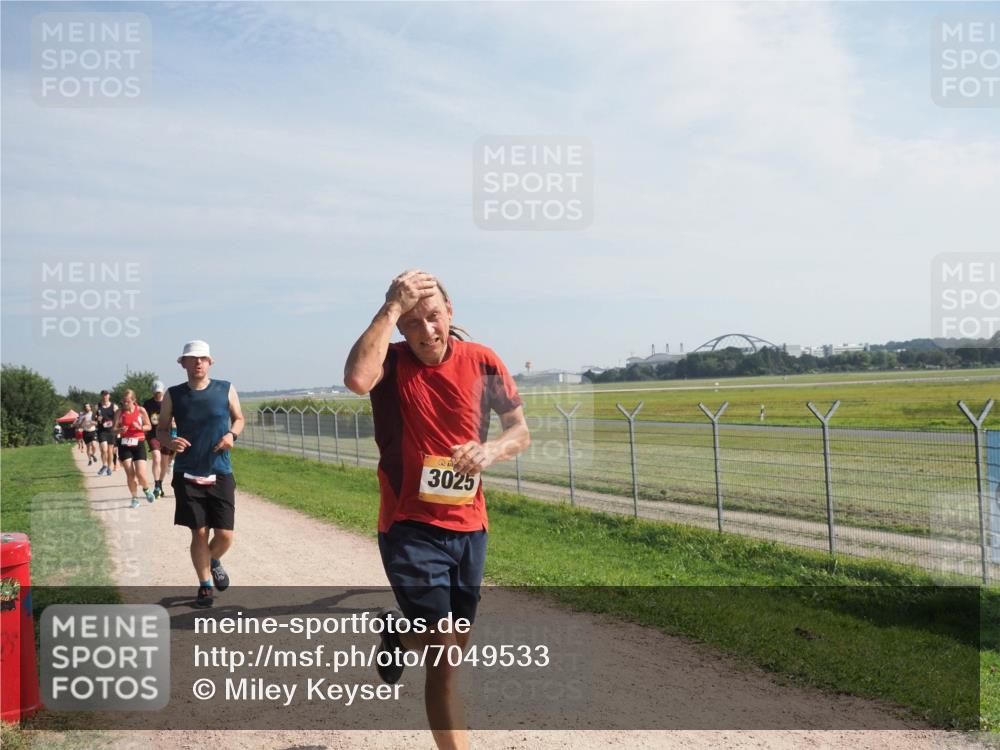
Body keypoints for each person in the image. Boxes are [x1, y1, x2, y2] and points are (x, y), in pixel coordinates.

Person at [343, 270, 530, 750]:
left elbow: (519, 431)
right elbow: (357, 379)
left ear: (450, 310)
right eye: (412, 323)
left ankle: (396, 635)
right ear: (400, 328)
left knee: (451, 648)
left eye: (433, 317)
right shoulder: (393, 360)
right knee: (445, 656)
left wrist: (492, 452)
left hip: (469, 527)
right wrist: (390, 307)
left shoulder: (483, 360)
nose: (426, 331)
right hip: (409, 525)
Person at [157, 340, 244, 609]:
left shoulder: (225, 389)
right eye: (192, 358)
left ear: (210, 362)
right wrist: (169, 442)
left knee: (226, 534)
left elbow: (239, 418)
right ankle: (205, 585)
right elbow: (160, 430)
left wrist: (232, 435)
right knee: (199, 532)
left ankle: (213, 560)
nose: (197, 362)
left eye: (202, 358)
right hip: (187, 473)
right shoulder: (174, 394)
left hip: (220, 470)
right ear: (182, 363)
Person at [112, 390, 156, 509]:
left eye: (128, 401)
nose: (125, 404)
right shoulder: (119, 412)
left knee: (140, 474)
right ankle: (135, 498)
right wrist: (120, 430)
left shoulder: (141, 410)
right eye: (123, 401)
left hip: (139, 443)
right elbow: (113, 429)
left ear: (133, 401)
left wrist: (140, 427)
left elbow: (149, 426)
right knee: (130, 474)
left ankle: (146, 490)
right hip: (125, 444)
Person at [143, 381, 170, 498]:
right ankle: (156, 485)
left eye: (159, 392)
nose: (157, 394)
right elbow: (144, 418)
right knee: (156, 458)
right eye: (156, 393)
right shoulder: (147, 404)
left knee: (165, 462)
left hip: (167, 435)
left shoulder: (168, 402)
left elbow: (175, 417)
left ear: (163, 390)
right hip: (153, 435)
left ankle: (160, 484)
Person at [95, 391, 118, 476]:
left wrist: (116, 426)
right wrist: (98, 418)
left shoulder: (114, 406)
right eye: (103, 395)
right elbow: (95, 417)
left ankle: (109, 467)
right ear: (101, 396)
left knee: (110, 451)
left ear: (109, 396)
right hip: (102, 431)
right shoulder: (98, 406)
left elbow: (117, 417)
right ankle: (104, 465)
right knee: (104, 449)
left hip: (111, 431)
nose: (105, 397)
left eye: (106, 395)